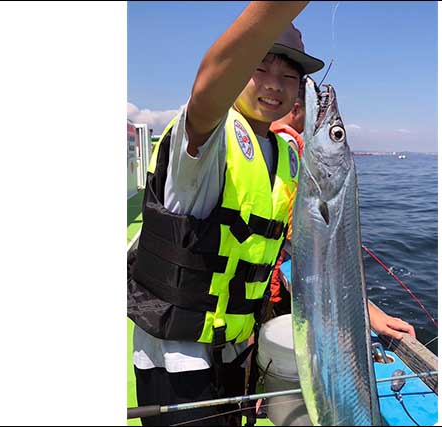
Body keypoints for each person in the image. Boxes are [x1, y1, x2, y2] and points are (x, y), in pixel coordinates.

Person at [127, 2, 323, 425]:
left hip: (238, 354)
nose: (275, 85)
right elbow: (207, 90)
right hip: (178, 364)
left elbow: (287, 251)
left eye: (289, 76)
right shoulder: (205, 138)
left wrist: (368, 313)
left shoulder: (286, 154)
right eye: (259, 66)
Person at [267, 82, 417, 342]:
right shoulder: (287, 149)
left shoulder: (265, 144)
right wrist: (370, 314)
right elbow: (318, 249)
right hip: (255, 299)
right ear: (298, 108)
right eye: (336, 134)